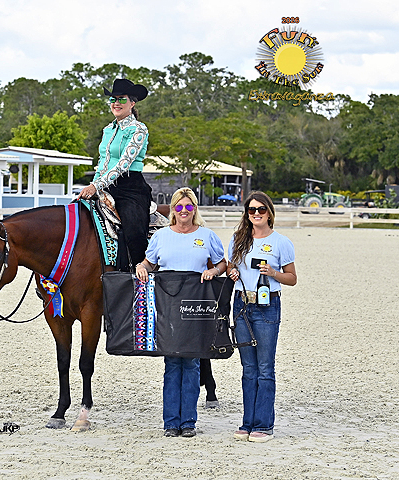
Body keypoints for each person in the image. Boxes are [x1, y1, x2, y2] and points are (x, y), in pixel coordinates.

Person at [135, 187, 227, 437]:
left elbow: (222, 263)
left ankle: (188, 422)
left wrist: (214, 271)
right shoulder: (161, 236)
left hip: (196, 306)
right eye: (179, 206)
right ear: (173, 210)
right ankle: (171, 422)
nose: (184, 210)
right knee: (172, 362)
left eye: (188, 206)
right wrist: (141, 267)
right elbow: (150, 262)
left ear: (194, 209)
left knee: (192, 363)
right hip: (168, 306)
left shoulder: (207, 235)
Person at [227, 191, 297, 443]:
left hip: (267, 304)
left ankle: (264, 424)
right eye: (252, 210)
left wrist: (273, 273)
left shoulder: (281, 242)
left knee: (265, 367)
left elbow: (292, 278)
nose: (256, 214)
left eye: (261, 209)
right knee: (248, 368)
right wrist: (232, 271)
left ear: (269, 213)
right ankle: (248, 422)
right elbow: (230, 264)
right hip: (242, 304)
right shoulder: (238, 239)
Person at [77, 78, 152, 272]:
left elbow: (123, 164)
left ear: (132, 103)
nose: (116, 103)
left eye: (122, 99)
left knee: (134, 232)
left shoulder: (139, 129)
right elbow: (102, 162)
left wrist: (96, 186)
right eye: (113, 99)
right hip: (103, 185)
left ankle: (139, 272)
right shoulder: (108, 130)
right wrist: (93, 185)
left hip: (130, 187)